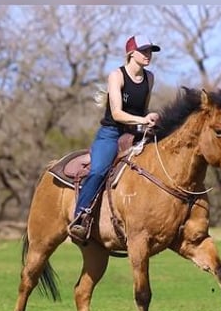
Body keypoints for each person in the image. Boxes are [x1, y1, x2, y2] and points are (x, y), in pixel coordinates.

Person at [68, 34, 162, 242]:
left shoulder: (150, 78)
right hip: (111, 133)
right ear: (131, 53)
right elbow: (117, 113)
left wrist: (150, 118)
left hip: (136, 132)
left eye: (150, 51)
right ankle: (80, 216)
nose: (148, 55)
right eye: (144, 51)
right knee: (99, 170)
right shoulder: (116, 76)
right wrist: (143, 119)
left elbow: (144, 109)